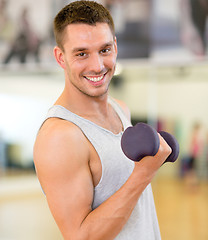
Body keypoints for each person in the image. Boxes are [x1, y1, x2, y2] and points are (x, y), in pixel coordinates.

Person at [33, 1, 171, 239]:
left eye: (104, 50)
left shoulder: (120, 109)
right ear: (60, 57)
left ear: (115, 47)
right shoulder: (60, 136)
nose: (97, 66)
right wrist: (143, 174)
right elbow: (80, 236)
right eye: (82, 53)